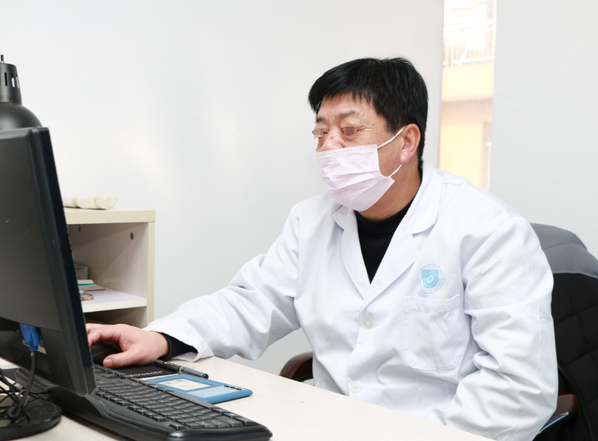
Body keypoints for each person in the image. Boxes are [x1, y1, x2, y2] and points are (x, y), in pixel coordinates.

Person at [87, 57, 558, 441]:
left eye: (348, 131)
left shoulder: (487, 230)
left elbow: (517, 390)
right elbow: (251, 302)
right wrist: (161, 337)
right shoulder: (311, 221)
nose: (329, 148)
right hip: (330, 426)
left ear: (407, 141)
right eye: (320, 133)